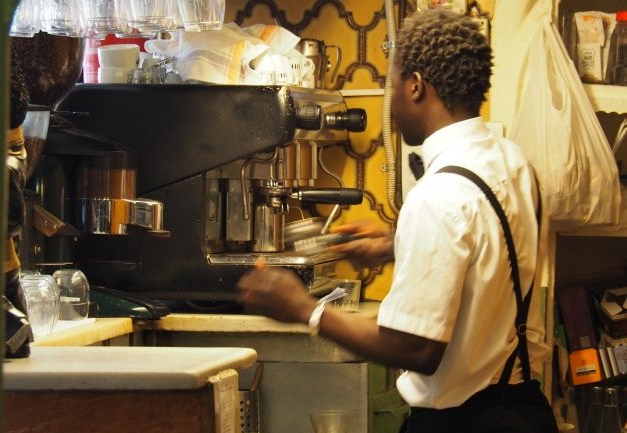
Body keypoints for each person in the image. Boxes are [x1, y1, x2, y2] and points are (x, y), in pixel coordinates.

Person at [236, 9, 558, 433]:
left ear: (416, 85)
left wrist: (304, 309)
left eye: (391, 82)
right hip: (524, 411)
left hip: (464, 425)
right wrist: (394, 244)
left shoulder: (438, 196)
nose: (390, 98)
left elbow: (415, 348)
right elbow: (490, 247)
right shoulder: (512, 162)